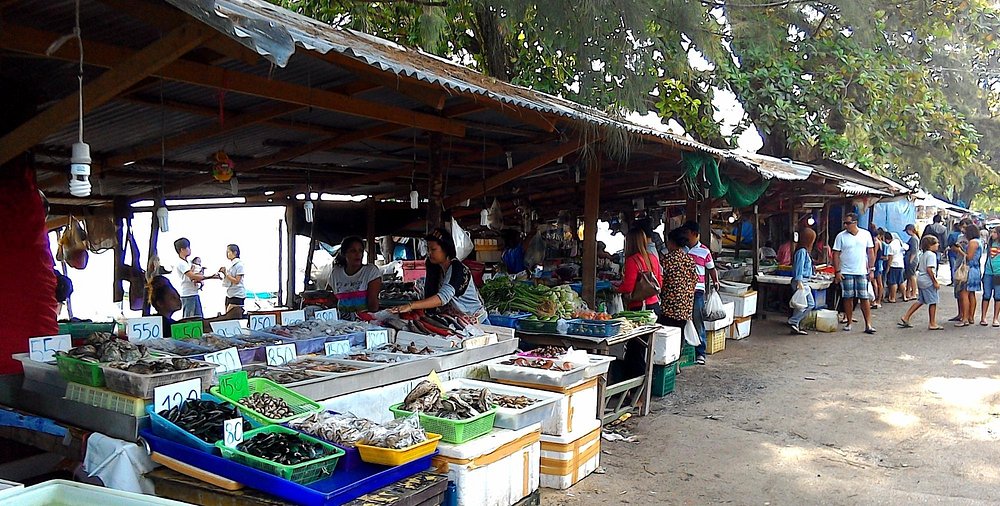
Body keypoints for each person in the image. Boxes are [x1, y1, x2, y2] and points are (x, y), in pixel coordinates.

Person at [389, 228, 486, 322]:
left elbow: (442, 298)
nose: (429, 253)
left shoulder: (458, 269)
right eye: (428, 249)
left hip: (477, 321)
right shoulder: (435, 267)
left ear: (446, 249)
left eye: (433, 249)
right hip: (459, 320)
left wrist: (411, 305)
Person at [832, 213, 876, 334]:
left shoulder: (865, 234)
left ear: (855, 223)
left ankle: (868, 324)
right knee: (847, 297)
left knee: (864, 297)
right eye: (845, 223)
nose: (845, 225)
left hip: (861, 270)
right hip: (846, 271)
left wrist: (871, 269)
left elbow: (871, 252)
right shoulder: (841, 236)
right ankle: (849, 321)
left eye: (848, 223)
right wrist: (837, 271)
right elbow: (835, 254)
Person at [683, 221, 720, 365]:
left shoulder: (704, 251)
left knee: (698, 320)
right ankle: (685, 351)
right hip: (684, 291)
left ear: (694, 234)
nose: (686, 236)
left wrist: (716, 281)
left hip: (697, 291)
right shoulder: (683, 250)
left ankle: (701, 352)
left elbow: (711, 268)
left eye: (687, 233)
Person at [329, 236, 382, 316]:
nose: (358, 254)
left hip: (364, 322)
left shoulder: (370, 271)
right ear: (344, 254)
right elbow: (330, 300)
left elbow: (373, 305)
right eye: (353, 251)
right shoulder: (336, 273)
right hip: (341, 322)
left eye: (360, 250)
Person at [898, 236, 943, 330]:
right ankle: (932, 323)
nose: (938, 245)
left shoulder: (924, 254)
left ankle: (906, 316)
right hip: (928, 281)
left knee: (921, 300)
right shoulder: (931, 255)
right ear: (930, 245)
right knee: (933, 301)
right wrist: (935, 281)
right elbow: (929, 269)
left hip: (921, 279)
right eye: (936, 243)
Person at [788, 227, 816, 335]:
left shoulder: (802, 251)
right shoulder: (802, 252)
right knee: (809, 304)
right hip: (801, 281)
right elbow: (799, 267)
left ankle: (795, 325)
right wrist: (799, 281)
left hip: (803, 280)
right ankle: (793, 321)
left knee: (800, 305)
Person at [174, 238, 208, 318]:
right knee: (189, 319)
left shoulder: (189, 262)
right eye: (188, 247)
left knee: (199, 318)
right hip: (187, 295)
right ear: (182, 249)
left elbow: (195, 274)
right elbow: (192, 276)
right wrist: (211, 277)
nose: (190, 249)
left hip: (194, 293)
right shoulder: (180, 263)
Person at [957, 224, 982, 327]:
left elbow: (969, 257)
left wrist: (959, 251)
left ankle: (965, 318)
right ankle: (971, 317)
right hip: (976, 269)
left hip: (969, 269)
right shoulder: (979, 242)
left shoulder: (972, 242)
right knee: (971, 293)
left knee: (964, 293)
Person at [980, 227, 1000, 327]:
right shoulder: (990, 244)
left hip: (998, 273)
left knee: (998, 296)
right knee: (986, 295)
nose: (992, 234)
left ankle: (995, 318)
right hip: (988, 272)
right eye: (991, 232)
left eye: (995, 232)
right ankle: (983, 317)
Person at [218, 244, 246, 314]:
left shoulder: (239, 265)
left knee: (231, 315)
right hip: (229, 293)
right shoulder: (230, 265)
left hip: (237, 294)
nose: (227, 254)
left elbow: (237, 281)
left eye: (228, 252)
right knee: (227, 315)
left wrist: (226, 274)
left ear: (235, 252)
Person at [885, 232, 905, 303]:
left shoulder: (890, 246)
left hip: (894, 265)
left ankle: (893, 298)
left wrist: (888, 268)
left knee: (893, 282)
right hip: (900, 264)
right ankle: (904, 296)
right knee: (901, 281)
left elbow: (890, 258)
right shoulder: (897, 241)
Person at [903, 224, 920, 301]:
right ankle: (908, 292)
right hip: (912, 259)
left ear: (910, 230)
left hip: (912, 260)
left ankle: (913, 292)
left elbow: (914, 251)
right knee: (909, 276)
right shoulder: (915, 238)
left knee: (912, 276)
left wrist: (910, 260)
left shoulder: (913, 239)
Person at [872, 229, 887, 309]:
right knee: (879, 283)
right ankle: (878, 300)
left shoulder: (876, 243)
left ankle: (876, 300)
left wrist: (871, 266)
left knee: (876, 283)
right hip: (879, 264)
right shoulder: (881, 243)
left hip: (876, 264)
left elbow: (874, 255)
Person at [947, 221, 964, 287]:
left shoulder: (952, 234)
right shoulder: (962, 235)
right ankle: (959, 280)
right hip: (960, 252)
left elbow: (949, 243)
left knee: (953, 267)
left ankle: (953, 281)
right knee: (960, 266)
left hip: (952, 252)